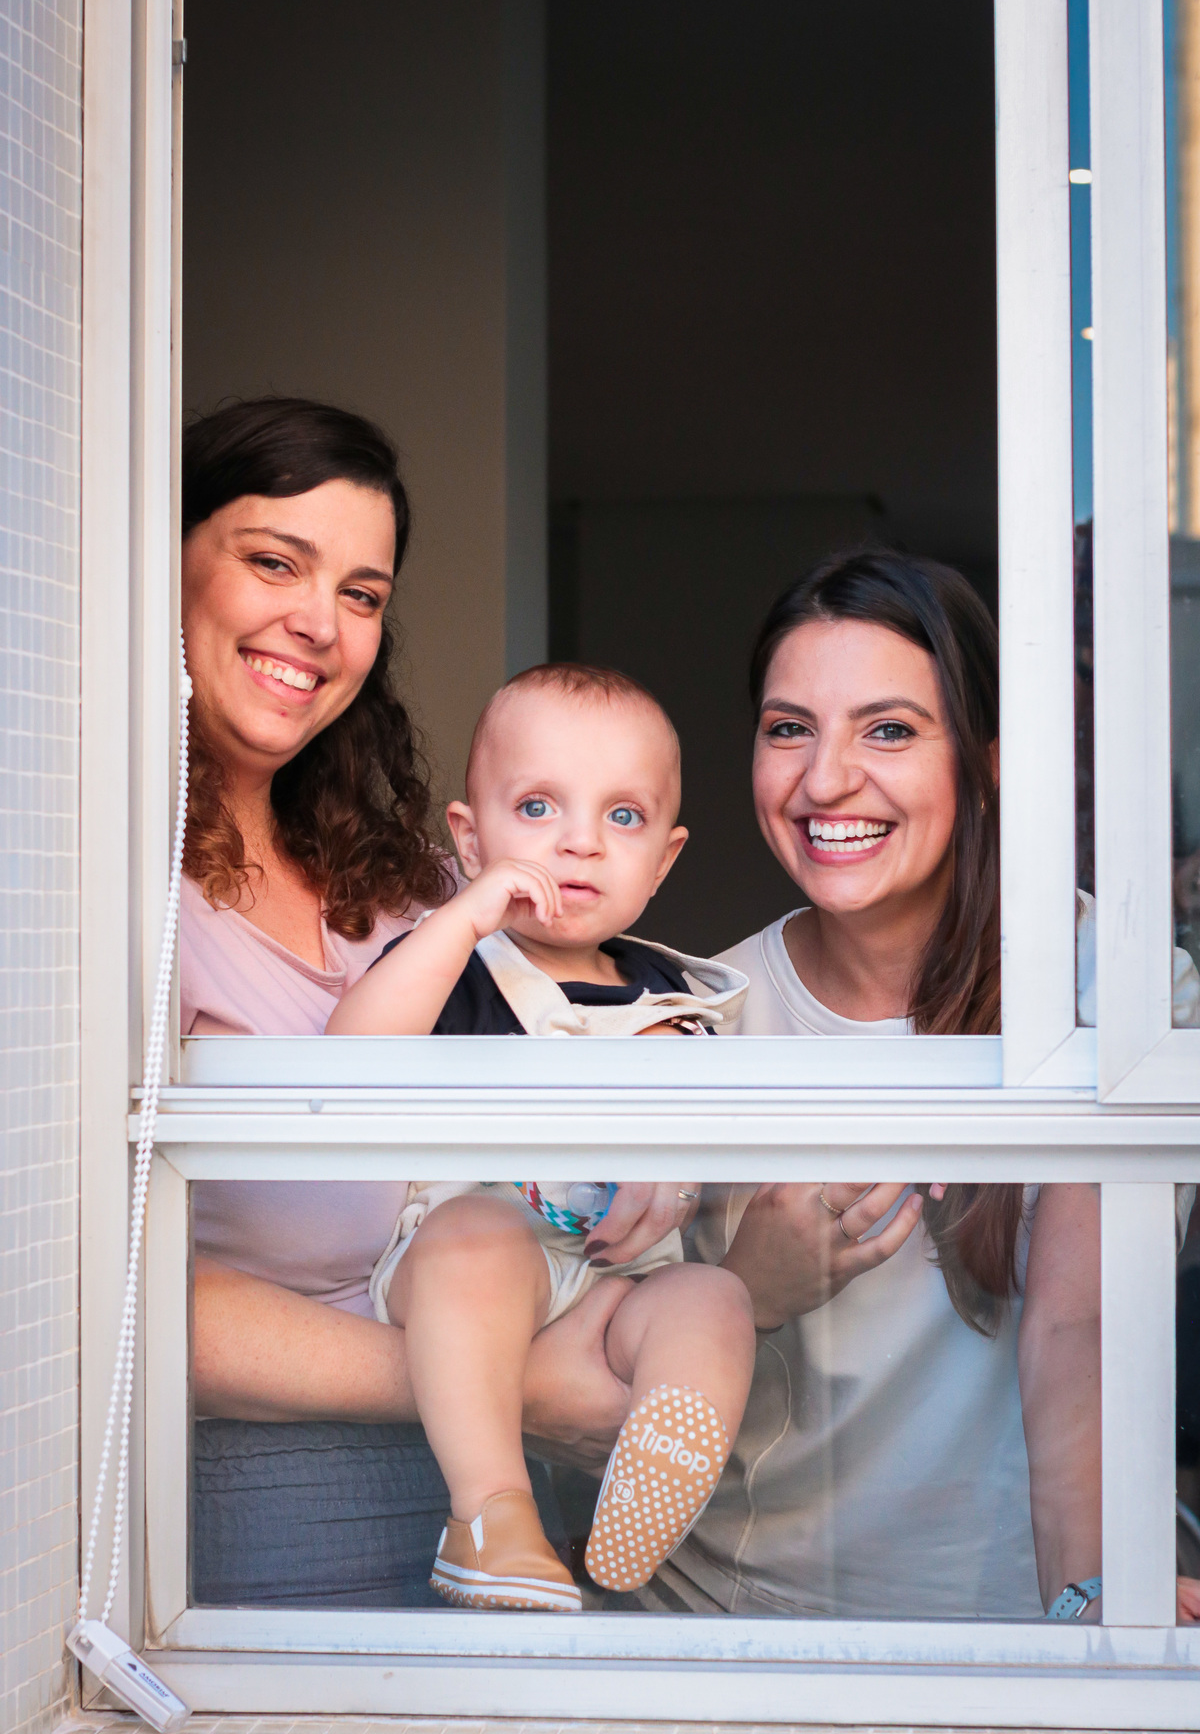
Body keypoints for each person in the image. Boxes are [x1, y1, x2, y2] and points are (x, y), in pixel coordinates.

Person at [647, 548, 1200, 1624]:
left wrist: (1085, 1607)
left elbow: (1079, 1329)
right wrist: (747, 1288)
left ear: (986, 763)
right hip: (738, 1619)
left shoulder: (1115, 990)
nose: (825, 781)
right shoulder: (697, 1016)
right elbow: (595, 1378)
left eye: (889, 730)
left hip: (1027, 1610)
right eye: (789, 728)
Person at [180, 398, 637, 1606]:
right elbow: (112, 1292)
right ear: (159, 564)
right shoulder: (106, 901)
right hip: (280, 1550)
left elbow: (590, 1038)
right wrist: (512, 1384)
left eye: (363, 593)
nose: (318, 623)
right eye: (274, 561)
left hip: (539, 1539)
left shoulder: (418, 882)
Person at [328, 664, 754, 1609]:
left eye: (623, 817)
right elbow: (348, 1058)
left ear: (664, 862)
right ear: (470, 837)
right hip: (476, 1267)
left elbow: (714, 1135)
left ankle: (652, 1479)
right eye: (536, 807)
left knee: (713, 1299)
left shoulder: (673, 995)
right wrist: (464, 916)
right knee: (477, 1236)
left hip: (616, 1280)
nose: (580, 842)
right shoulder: (457, 965)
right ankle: (492, 1516)